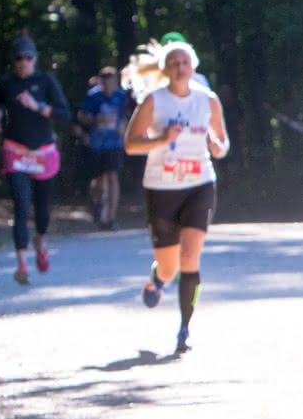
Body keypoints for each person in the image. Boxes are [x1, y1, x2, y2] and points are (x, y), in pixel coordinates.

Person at [123, 39, 230, 354]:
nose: (180, 68)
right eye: (174, 63)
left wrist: (217, 147)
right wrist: (159, 138)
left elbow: (223, 144)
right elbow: (130, 145)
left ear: (193, 67)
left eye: (185, 62)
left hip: (199, 185)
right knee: (169, 267)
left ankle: (185, 328)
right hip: (162, 188)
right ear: (165, 70)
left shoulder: (208, 101)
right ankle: (158, 279)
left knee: (190, 258)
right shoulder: (154, 102)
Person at [0, 35, 71, 285]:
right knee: (21, 208)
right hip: (16, 152)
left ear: (34, 58)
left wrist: (38, 106)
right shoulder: (7, 82)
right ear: (14, 61)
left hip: (43, 153)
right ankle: (22, 263)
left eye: (27, 58)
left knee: (43, 212)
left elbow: (64, 114)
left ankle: (41, 241)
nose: (23, 62)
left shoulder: (45, 80)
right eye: (19, 58)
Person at [77, 66, 131, 229]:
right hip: (97, 144)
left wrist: (124, 126)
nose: (108, 83)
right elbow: (82, 117)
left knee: (113, 176)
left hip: (114, 143)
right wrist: (96, 120)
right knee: (100, 180)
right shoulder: (93, 97)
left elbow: (128, 117)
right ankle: (99, 208)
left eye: (111, 79)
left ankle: (111, 217)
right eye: (105, 79)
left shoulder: (122, 97)